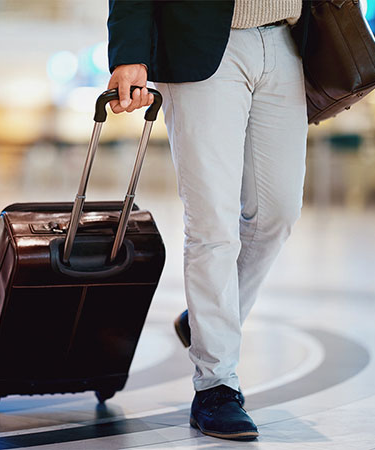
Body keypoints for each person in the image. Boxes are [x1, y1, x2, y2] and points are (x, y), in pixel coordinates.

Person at [107, 0, 306, 441]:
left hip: (287, 39)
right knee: (212, 222)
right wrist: (129, 51)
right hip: (200, 43)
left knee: (278, 212)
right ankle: (216, 385)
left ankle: (203, 322)